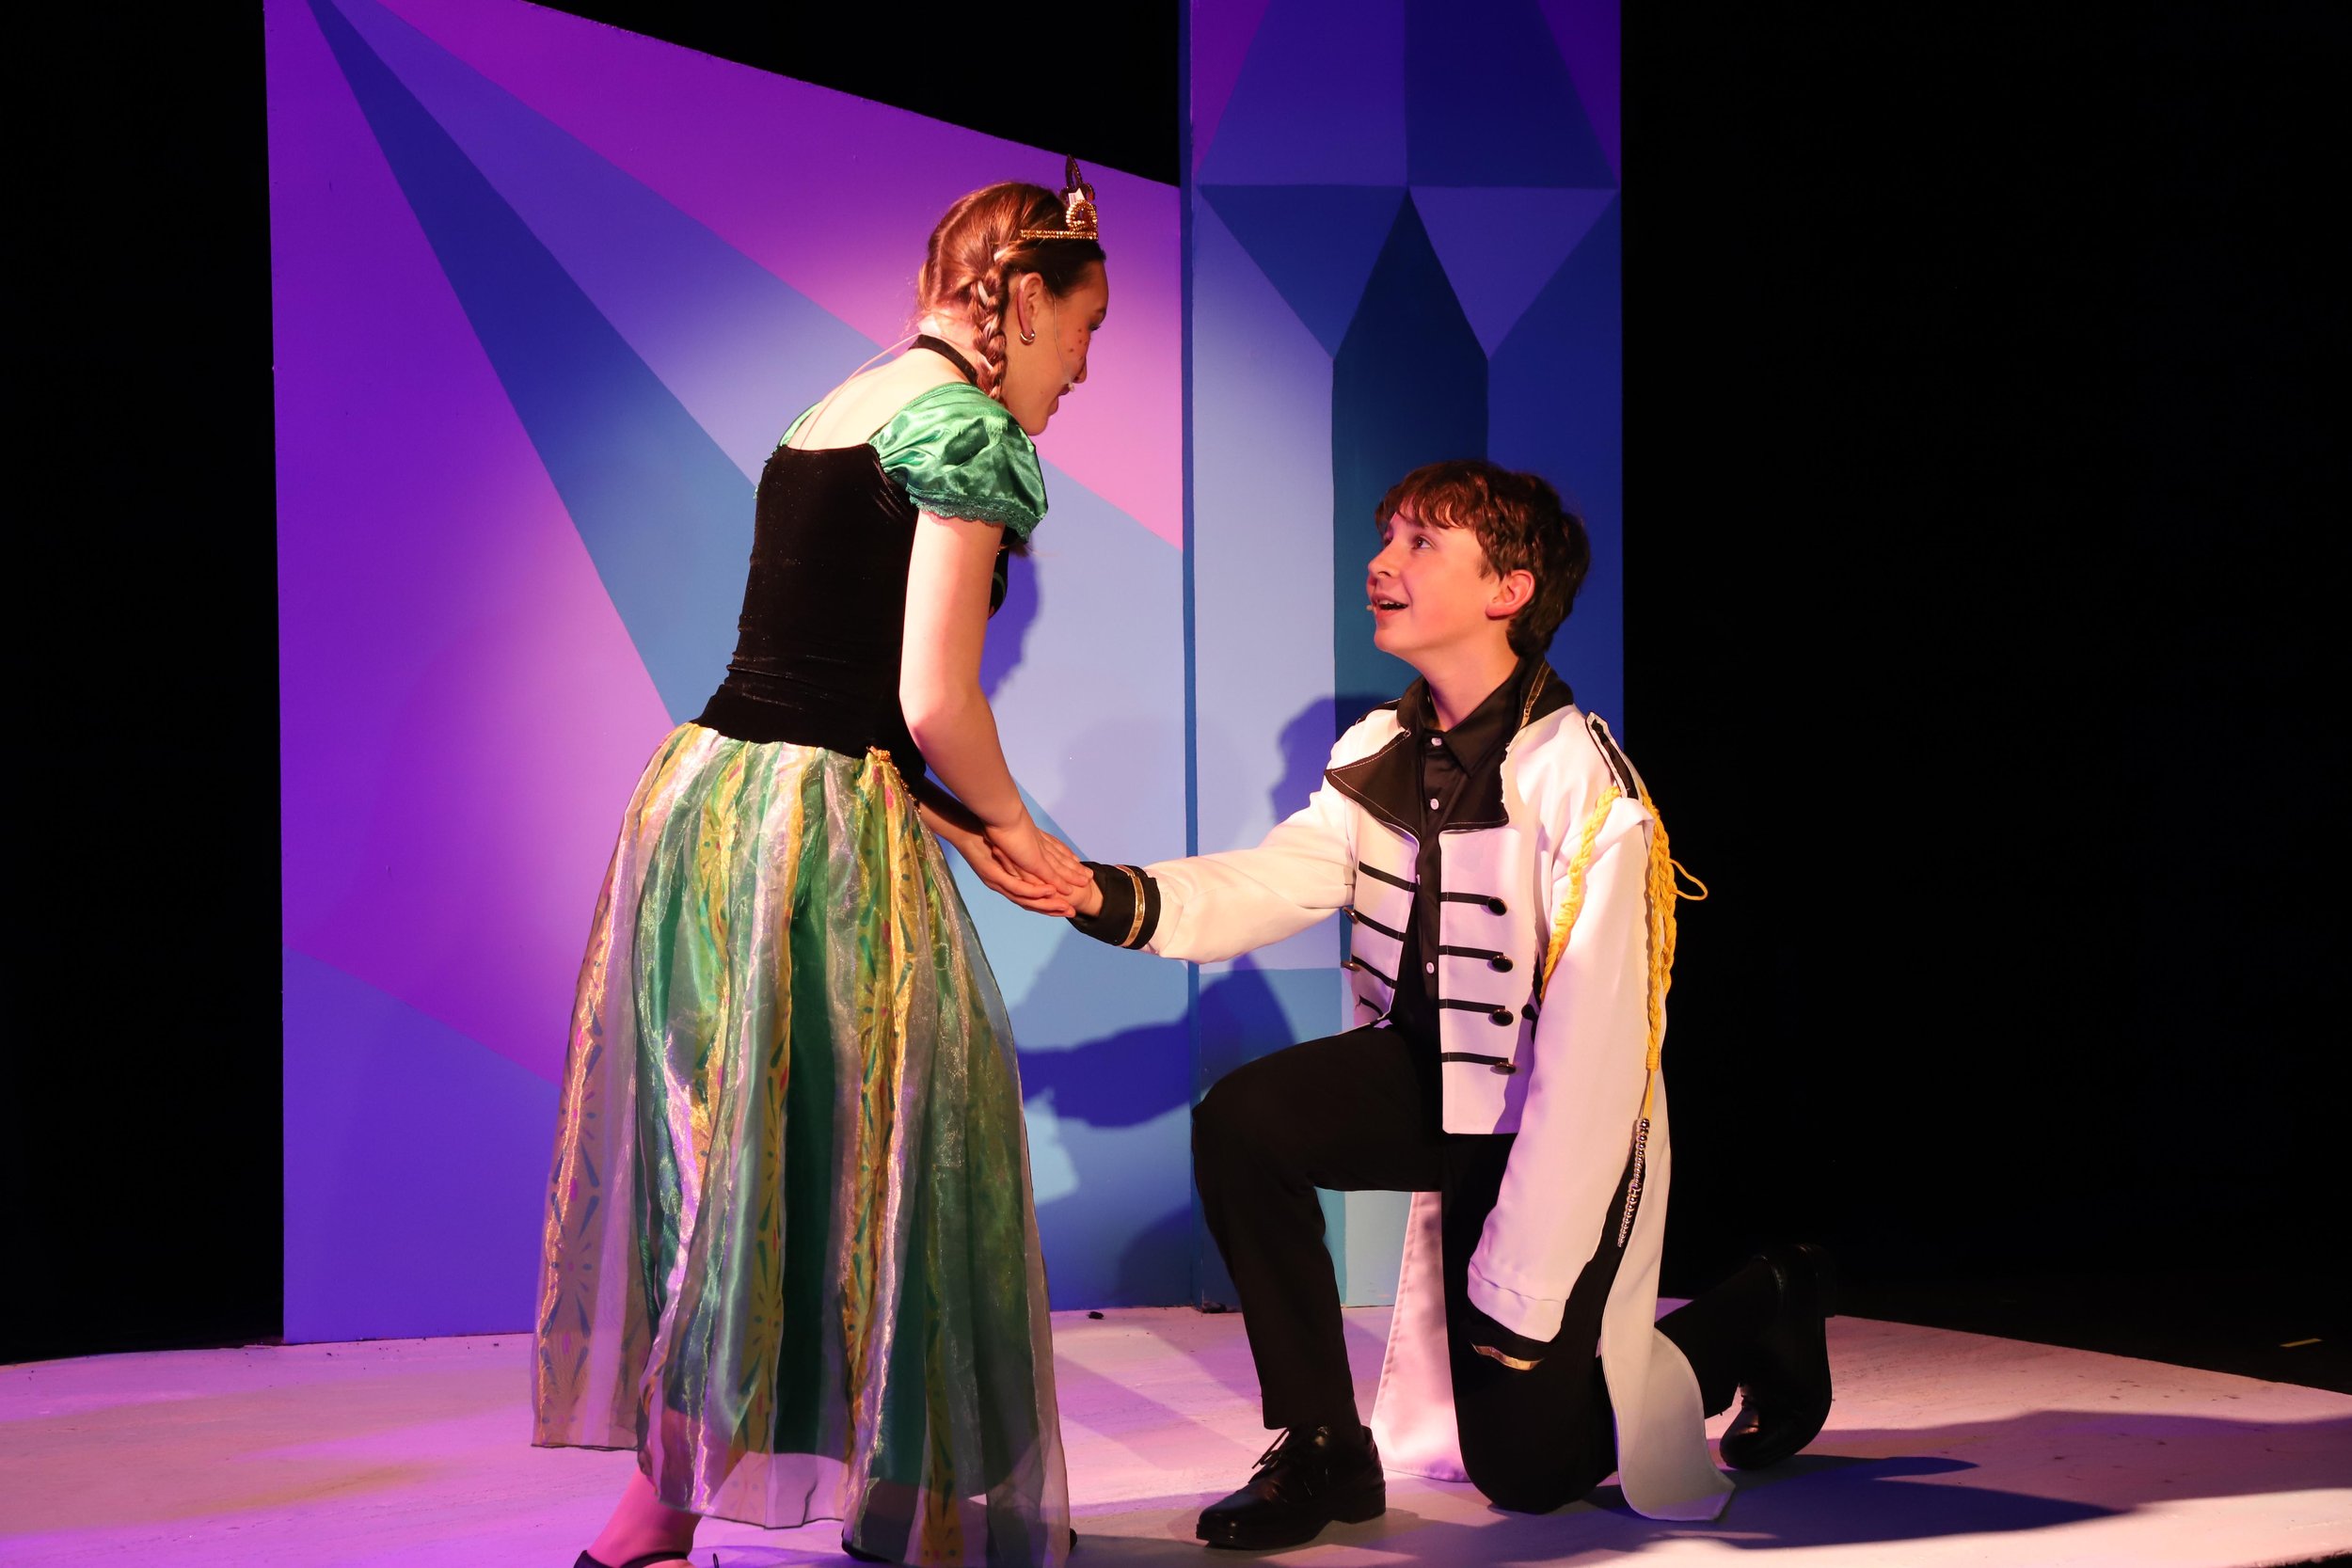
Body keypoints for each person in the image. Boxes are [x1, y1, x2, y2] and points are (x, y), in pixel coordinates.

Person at [1054, 461, 1836, 1549]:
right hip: (1426, 1078)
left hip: (1552, 1129)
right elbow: (1281, 876)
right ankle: (1321, 1444)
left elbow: (1594, 1068)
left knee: (1531, 1469)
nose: (1381, 561)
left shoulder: (1588, 792)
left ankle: (1764, 1303)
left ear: (1508, 588)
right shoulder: (1378, 751)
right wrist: (1106, 893)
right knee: (1243, 1118)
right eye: (1388, 536)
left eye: (1421, 542)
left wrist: (1516, 1285)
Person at [534, 163, 1108, 1568]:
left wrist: (960, 825)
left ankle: (653, 1513)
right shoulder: (969, 432)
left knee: (744, 1153)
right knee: (914, 1138)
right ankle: (909, 1514)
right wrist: (1025, 832)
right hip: (813, 828)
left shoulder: (833, 404)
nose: (1082, 374)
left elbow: (838, 679)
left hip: (708, 799)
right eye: (1083, 334)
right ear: (1021, 301)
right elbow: (928, 701)